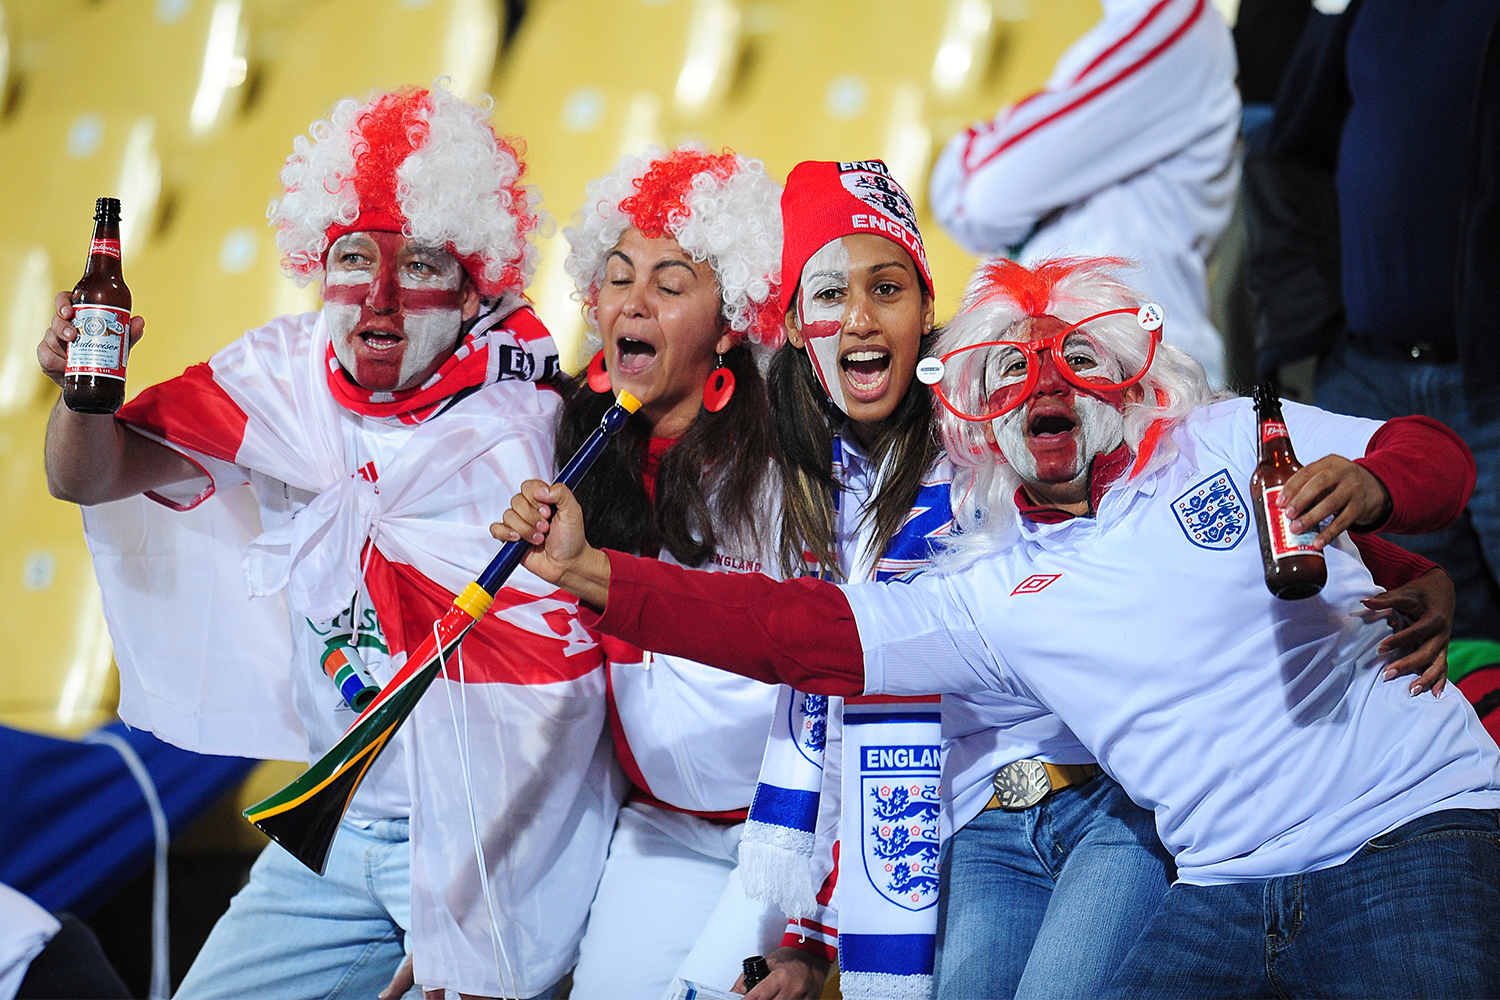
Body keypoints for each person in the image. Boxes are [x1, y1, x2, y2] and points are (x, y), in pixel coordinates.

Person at [500, 257, 1496, 998]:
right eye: (1014, 370)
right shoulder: (989, 590)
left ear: (1124, 377)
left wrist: (1378, 492)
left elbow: (1439, 457)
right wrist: (593, 570)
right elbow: (790, 627)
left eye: (1072, 360)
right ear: (978, 415)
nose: (1047, 385)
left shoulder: (1226, 435)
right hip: (1225, 883)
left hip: (1407, 825)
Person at [742, 216, 1449, 1000]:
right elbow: (825, 678)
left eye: (886, 288)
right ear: (798, 327)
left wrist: (1412, 565)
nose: (861, 319)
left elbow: (1239, 522)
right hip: (977, 818)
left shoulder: (1000, 418)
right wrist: (810, 935)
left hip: (1114, 803)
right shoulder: (801, 491)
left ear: (925, 306)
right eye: (831, 295)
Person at [40, 86, 616, 1000]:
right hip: (334, 828)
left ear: (474, 285)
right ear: (319, 266)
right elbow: (87, 475)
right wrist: (80, 395)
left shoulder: (529, 425)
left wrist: (466, 914)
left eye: (419, 262)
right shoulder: (279, 379)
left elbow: (557, 698)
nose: (379, 297)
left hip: (492, 834)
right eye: (354, 258)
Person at [556, 145, 788, 1000]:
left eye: (670, 282)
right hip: (657, 829)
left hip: (786, 831)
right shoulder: (571, 441)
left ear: (731, 321)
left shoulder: (790, 461)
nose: (634, 302)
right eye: (617, 277)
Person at [1244, 0, 1500, 645]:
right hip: (1364, 379)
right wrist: (1305, 340)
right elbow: (1288, 155)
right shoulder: (1357, 9)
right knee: (1424, 649)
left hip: (1487, 385)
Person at [928, 0, 1240, 385]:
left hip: (1141, 379)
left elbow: (979, 199)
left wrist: (970, 151)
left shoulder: (1175, 20)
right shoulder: (1119, 34)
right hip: (1066, 376)